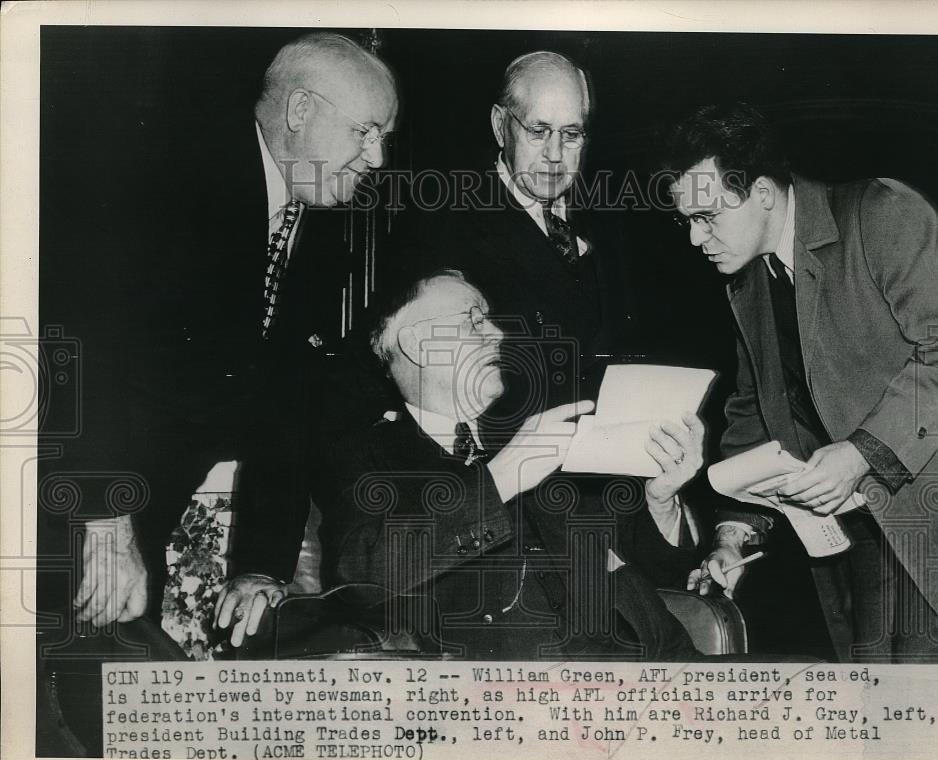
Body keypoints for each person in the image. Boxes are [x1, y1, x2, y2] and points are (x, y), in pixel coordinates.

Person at [665, 103, 938, 760]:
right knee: (879, 744)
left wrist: (860, 452)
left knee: (930, 743)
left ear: (766, 195)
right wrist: (731, 533)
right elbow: (753, 412)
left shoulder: (883, 215)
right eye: (687, 220)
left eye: (707, 215)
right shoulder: (748, 282)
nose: (695, 238)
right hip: (859, 547)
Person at [65, 32, 398, 630]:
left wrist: (262, 566)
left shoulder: (316, 230)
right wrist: (104, 519)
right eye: (365, 131)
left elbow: (287, 406)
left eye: (384, 138)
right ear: (300, 110)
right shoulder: (169, 173)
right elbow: (83, 341)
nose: (377, 158)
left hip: (143, 515)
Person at [245, 269, 706, 659]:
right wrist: (504, 475)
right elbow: (365, 573)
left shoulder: (536, 435)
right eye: (473, 320)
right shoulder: (365, 456)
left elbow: (655, 572)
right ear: (417, 344)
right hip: (520, 701)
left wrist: (660, 502)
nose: (498, 334)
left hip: (663, 667)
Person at [397, 50, 638, 446]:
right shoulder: (442, 220)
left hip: (606, 467)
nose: (555, 154)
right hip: (505, 477)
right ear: (499, 125)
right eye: (538, 131)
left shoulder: (613, 220)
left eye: (571, 134)